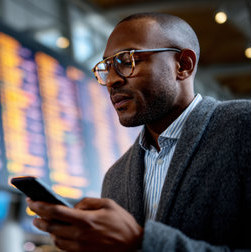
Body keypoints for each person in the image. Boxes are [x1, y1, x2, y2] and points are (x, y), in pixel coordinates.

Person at [27, 12, 251, 252]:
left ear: (183, 65)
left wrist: (139, 242)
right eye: (107, 67)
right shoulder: (116, 177)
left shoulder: (243, 127)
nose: (112, 80)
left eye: (127, 60)